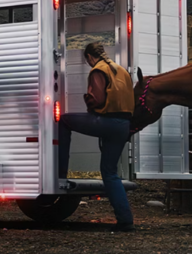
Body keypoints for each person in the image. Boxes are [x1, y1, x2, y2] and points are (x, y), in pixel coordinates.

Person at [58, 42, 136, 232]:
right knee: (109, 173)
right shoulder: (121, 70)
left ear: (90, 57)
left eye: (87, 60)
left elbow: (97, 99)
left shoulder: (98, 71)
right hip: (123, 125)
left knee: (64, 121)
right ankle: (125, 221)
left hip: (106, 121)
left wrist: (87, 99)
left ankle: (60, 174)